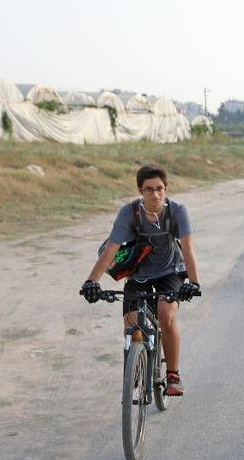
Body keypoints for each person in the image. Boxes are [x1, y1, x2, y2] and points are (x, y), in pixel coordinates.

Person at [80, 164, 201, 396]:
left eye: (159, 189)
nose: (155, 194)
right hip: (138, 275)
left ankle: (173, 375)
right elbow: (111, 250)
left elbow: (188, 248)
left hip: (170, 272)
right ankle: (137, 364)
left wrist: (193, 283)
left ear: (166, 189)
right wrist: (92, 282)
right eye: (148, 189)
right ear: (139, 190)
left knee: (166, 315)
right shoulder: (129, 213)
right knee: (132, 322)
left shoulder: (177, 211)